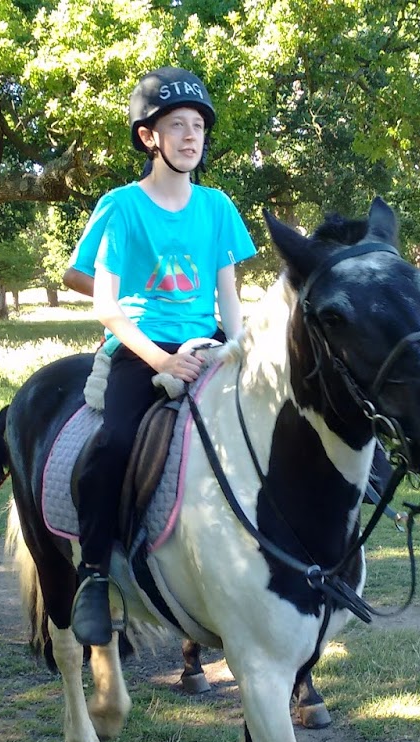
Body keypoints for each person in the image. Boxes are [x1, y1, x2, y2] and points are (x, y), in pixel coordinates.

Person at [66, 67, 256, 646]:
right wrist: (162, 362)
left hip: (208, 344)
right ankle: (94, 572)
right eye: (177, 126)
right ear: (149, 137)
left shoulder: (218, 206)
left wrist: (240, 350)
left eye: (198, 126)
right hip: (141, 348)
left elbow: (229, 295)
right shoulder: (121, 207)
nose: (191, 136)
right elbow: (106, 307)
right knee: (116, 441)